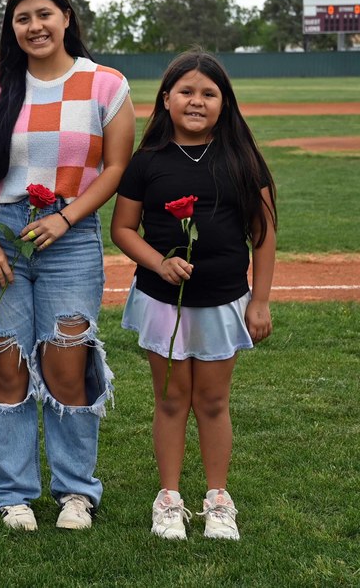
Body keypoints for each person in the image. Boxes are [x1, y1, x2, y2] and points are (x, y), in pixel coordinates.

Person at [0, 0, 136, 532]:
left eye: (44, 14)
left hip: (71, 233)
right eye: (22, 18)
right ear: (11, 27)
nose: (34, 26)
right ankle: (13, 492)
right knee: (6, 364)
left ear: (66, 17)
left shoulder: (105, 85)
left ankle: (76, 493)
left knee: (68, 365)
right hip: (2, 236)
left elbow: (114, 168)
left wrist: (66, 217)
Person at [111, 49, 276, 541]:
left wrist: (260, 300)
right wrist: (158, 262)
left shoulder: (242, 160)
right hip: (164, 304)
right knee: (170, 400)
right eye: (186, 91)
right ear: (166, 99)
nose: (197, 101)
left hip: (225, 302)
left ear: (225, 102)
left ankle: (218, 499)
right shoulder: (147, 162)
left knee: (213, 400)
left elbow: (262, 235)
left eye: (209, 93)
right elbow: (122, 229)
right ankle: (169, 498)